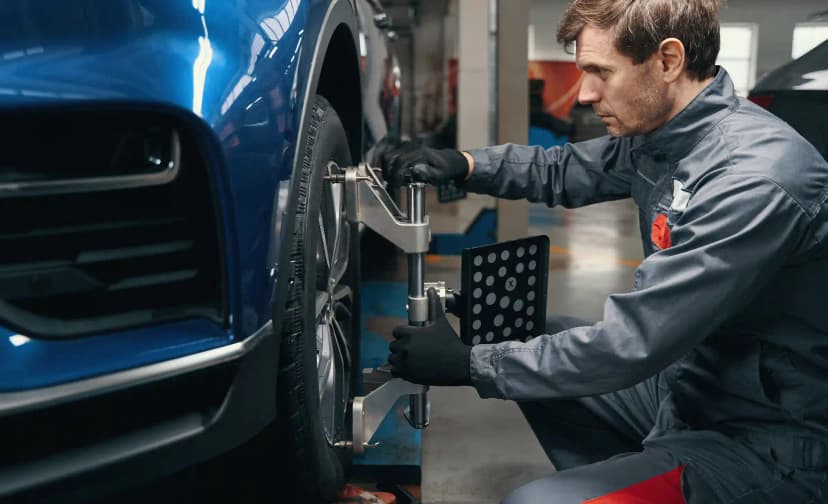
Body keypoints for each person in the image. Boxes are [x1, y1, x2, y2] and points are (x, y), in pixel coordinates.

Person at [380, 0, 828, 502]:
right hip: (695, 387)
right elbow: (564, 169)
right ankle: (635, 475)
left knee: (532, 502)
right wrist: (463, 164)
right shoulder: (668, 136)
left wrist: (469, 365)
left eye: (601, 72)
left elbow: (631, 343)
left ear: (668, 60)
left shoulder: (753, 179)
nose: (585, 94)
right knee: (527, 336)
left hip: (770, 439)